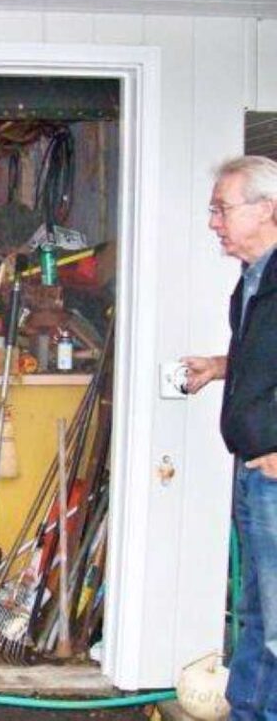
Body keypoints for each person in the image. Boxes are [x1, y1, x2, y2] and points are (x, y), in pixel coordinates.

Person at [183, 155, 277, 720]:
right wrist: (221, 366)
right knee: (256, 618)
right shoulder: (253, 282)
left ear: (266, 209)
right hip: (251, 471)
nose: (214, 222)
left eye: (222, 209)